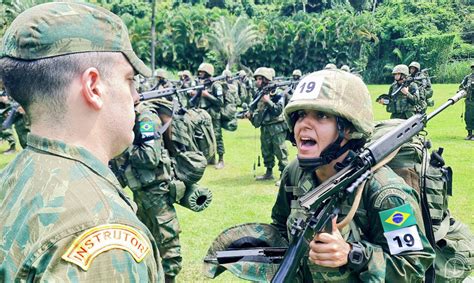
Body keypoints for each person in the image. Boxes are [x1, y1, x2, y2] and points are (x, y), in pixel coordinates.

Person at [0, 2, 163, 281]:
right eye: (129, 80)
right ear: (93, 87)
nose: (136, 97)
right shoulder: (103, 235)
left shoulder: (12, 177)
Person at [271, 69, 435, 281]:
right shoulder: (295, 173)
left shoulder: (385, 192)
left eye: (321, 116)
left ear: (348, 128)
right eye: (300, 115)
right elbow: (279, 228)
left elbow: (412, 269)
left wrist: (353, 254)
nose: (304, 124)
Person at [110, 100, 183, 283]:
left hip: (156, 191)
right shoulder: (131, 115)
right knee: (146, 240)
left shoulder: (147, 118)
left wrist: (125, 146)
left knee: (167, 240)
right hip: (141, 191)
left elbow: (150, 157)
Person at [250, 67, 289, 184]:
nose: (256, 81)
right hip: (265, 125)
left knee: (280, 151)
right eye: (256, 79)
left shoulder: (277, 92)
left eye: (259, 79)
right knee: (266, 151)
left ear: (266, 79)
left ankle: (284, 175)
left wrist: (268, 101)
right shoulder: (259, 93)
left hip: (276, 126)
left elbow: (278, 110)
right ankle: (269, 172)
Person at [192, 63, 225, 169]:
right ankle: (210, 158)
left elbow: (220, 102)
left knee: (217, 136)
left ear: (208, 72)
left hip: (213, 114)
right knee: (204, 137)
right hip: (202, 114)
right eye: (199, 72)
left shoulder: (216, 85)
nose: (200, 73)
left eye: (202, 72)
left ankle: (221, 159)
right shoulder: (201, 84)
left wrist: (207, 95)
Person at [459, 62, 474, 140]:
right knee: (468, 117)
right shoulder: (468, 77)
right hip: (469, 101)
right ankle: (469, 134)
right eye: (473, 68)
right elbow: (461, 86)